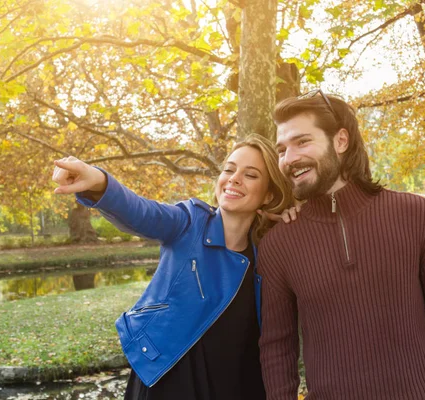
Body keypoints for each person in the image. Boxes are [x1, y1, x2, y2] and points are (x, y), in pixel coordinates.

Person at [258, 91, 425, 400]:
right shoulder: (279, 243)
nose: (289, 158)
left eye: (302, 142)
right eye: (282, 149)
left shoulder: (416, 215)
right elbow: (277, 347)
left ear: (341, 141)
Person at [52, 134, 292, 400]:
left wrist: (295, 214)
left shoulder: (268, 253)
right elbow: (142, 213)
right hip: (170, 381)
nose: (234, 178)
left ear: (268, 193)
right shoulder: (188, 222)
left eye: (251, 175)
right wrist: (98, 182)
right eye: (229, 169)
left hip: (237, 385)